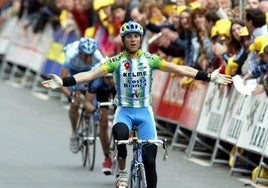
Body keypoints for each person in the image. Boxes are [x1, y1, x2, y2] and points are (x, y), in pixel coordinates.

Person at [42, 21, 232, 188]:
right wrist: (64, 81)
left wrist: (208, 76)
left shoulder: (150, 59)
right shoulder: (115, 61)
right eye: (129, 37)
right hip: (124, 111)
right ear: (123, 40)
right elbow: (90, 75)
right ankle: (122, 173)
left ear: (140, 39)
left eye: (136, 36)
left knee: (150, 161)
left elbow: (179, 68)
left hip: (144, 113)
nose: (133, 40)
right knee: (121, 135)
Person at [59, 37, 103, 154]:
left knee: (93, 101)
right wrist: (69, 95)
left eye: (90, 55)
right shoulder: (71, 57)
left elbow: (102, 80)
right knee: (75, 102)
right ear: (79, 53)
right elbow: (61, 82)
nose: (88, 59)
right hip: (75, 76)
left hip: (90, 76)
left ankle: (89, 123)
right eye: (85, 55)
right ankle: (74, 133)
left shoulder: (98, 58)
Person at [86, 73, 116, 175]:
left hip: (115, 91)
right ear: (103, 77)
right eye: (108, 78)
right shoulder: (96, 82)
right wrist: (94, 111)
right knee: (103, 123)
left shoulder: (118, 80)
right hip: (100, 94)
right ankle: (107, 157)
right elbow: (87, 102)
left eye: (112, 77)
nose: (111, 80)